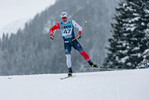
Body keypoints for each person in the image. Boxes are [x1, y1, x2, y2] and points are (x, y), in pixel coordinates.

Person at [49, 12, 98, 76]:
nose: (64, 19)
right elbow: (51, 29)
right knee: (68, 57)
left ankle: (91, 64)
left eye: (65, 18)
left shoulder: (71, 22)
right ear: (61, 18)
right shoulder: (59, 24)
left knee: (82, 52)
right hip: (66, 43)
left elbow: (80, 28)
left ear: (67, 17)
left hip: (74, 41)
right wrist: (51, 35)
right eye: (62, 18)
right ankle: (70, 71)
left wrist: (79, 33)